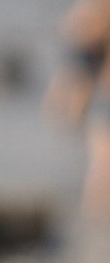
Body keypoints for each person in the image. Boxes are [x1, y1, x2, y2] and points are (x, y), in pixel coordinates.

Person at [46, 1, 110, 218]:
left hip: (102, 99)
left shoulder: (87, 19)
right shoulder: (94, 20)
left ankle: (94, 215)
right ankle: (95, 216)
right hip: (101, 99)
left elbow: (73, 77)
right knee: (101, 163)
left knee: (100, 164)